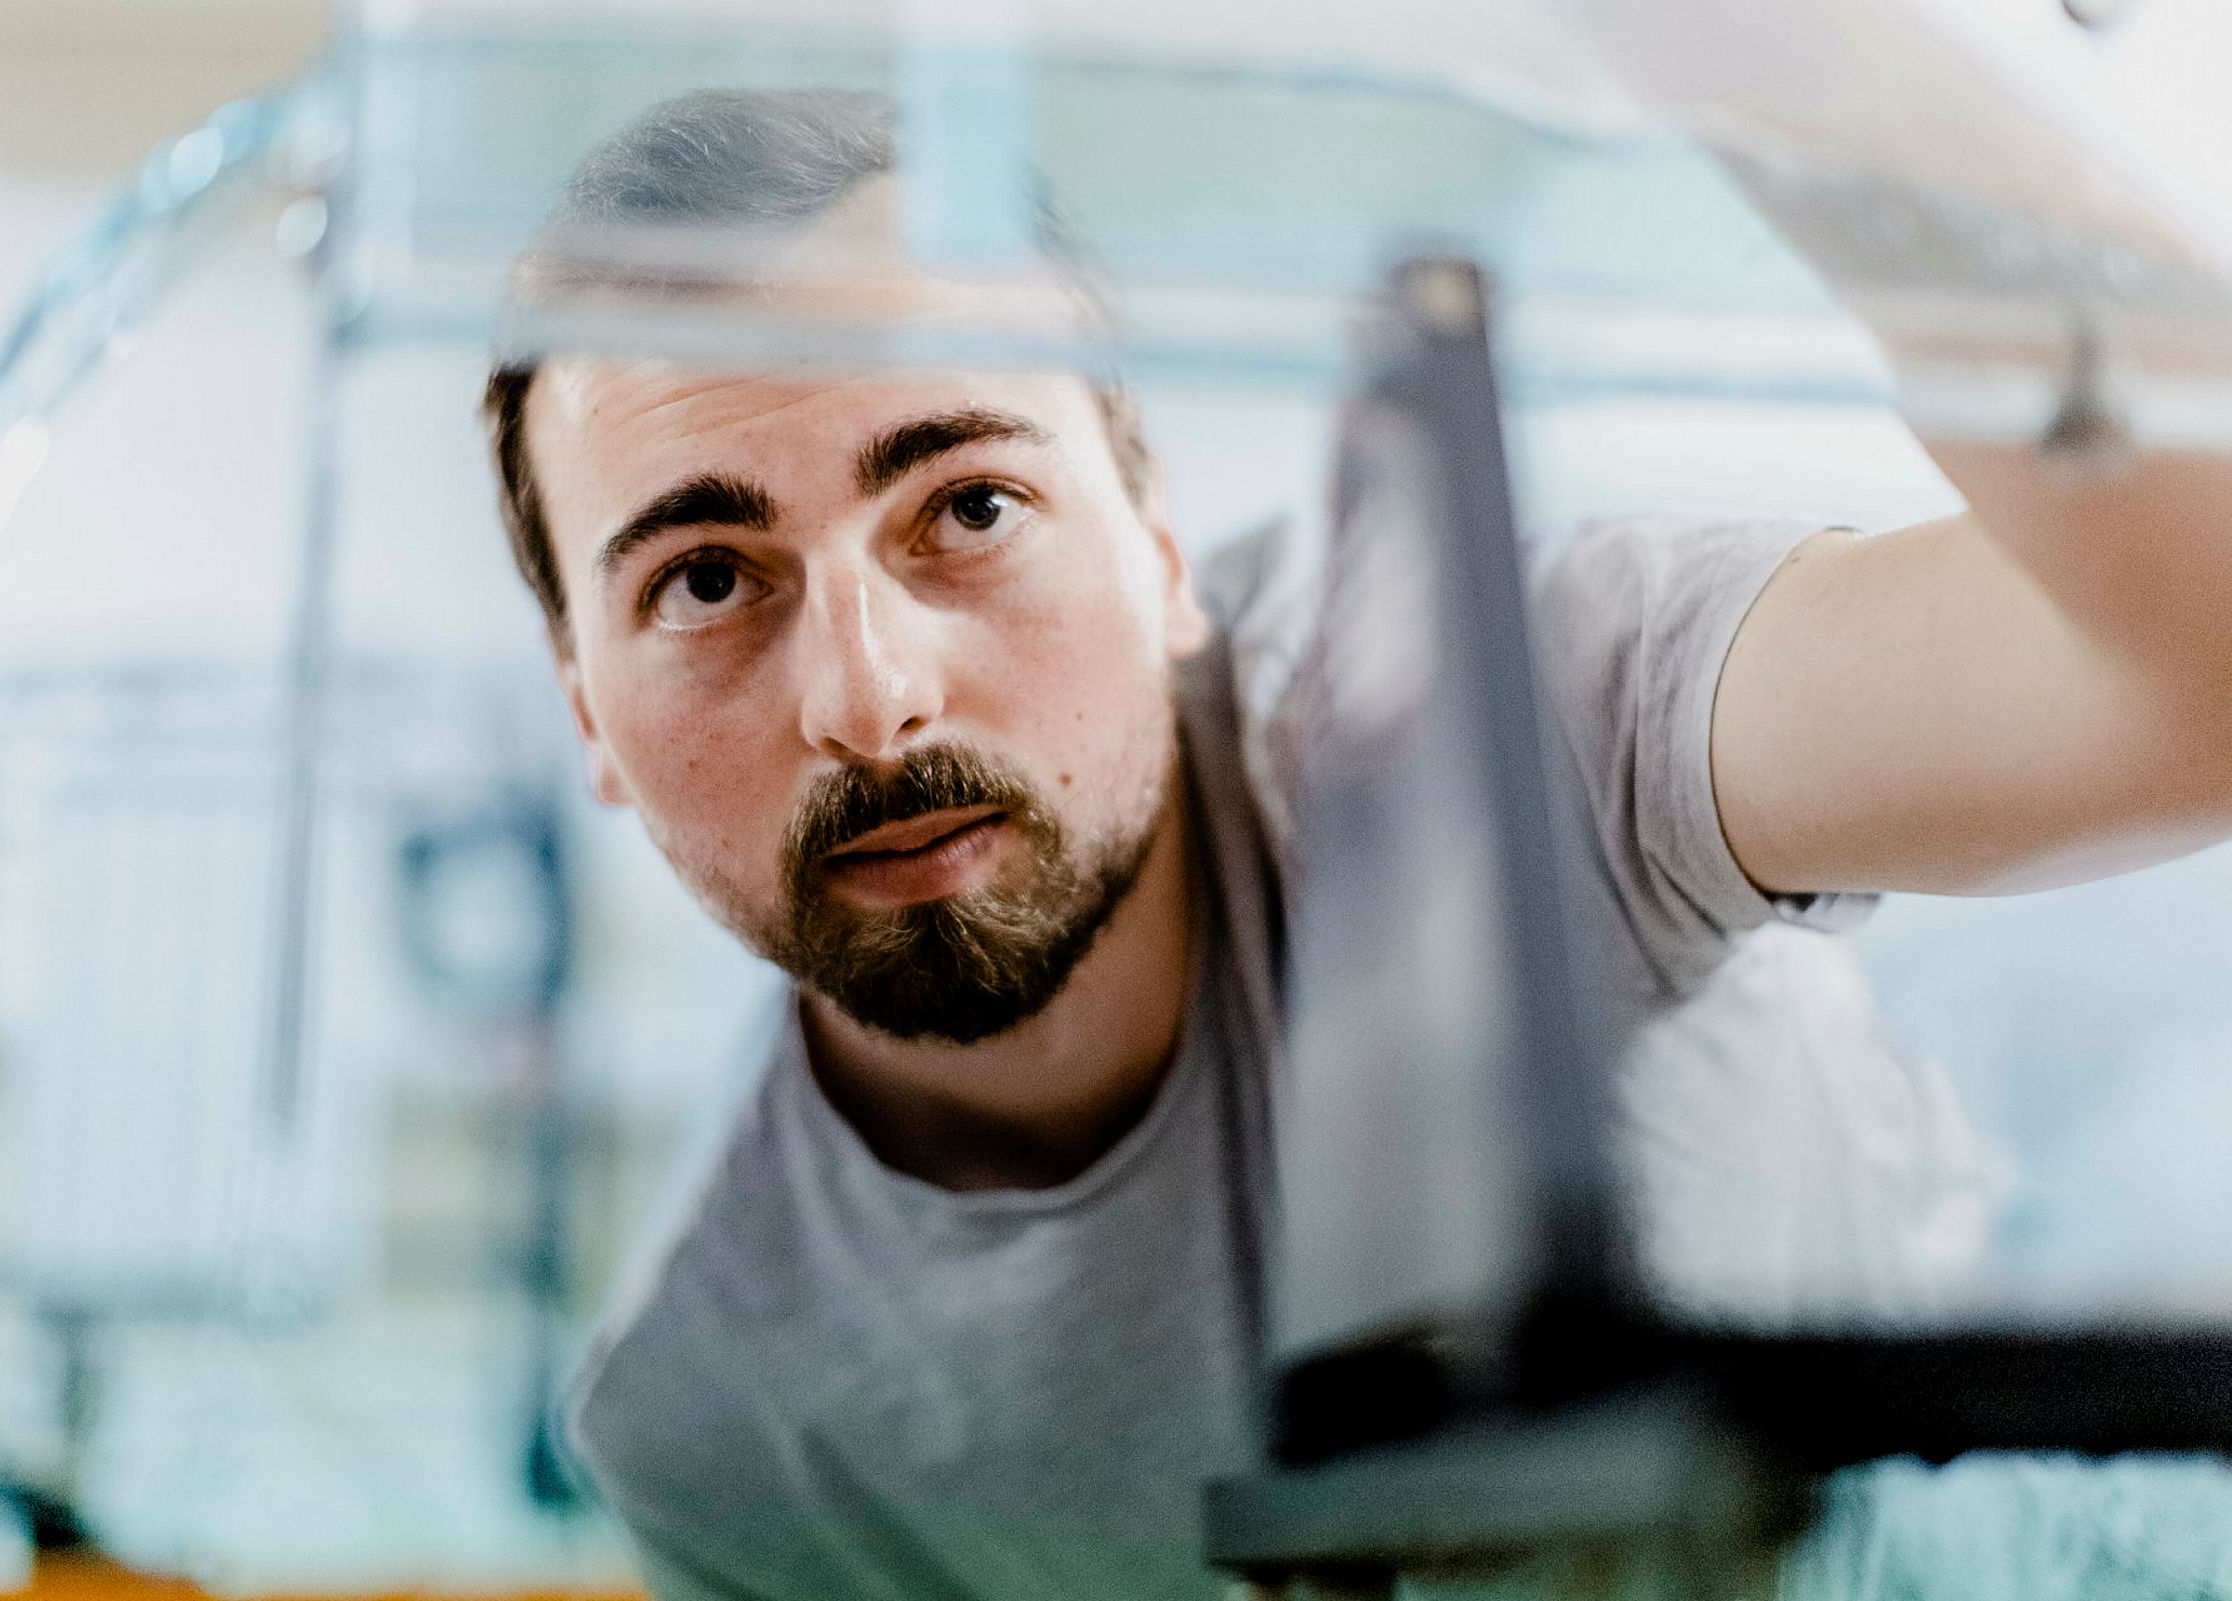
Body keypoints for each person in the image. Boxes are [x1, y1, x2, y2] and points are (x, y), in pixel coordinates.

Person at [480, 89, 2232, 1601]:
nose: (869, 697)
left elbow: (2196, 678)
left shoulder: (1489, 716)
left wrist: (1809, 70)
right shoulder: (717, 1428)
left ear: (1161, 555)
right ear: (586, 719)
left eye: (971, 507)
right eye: (706, 579)